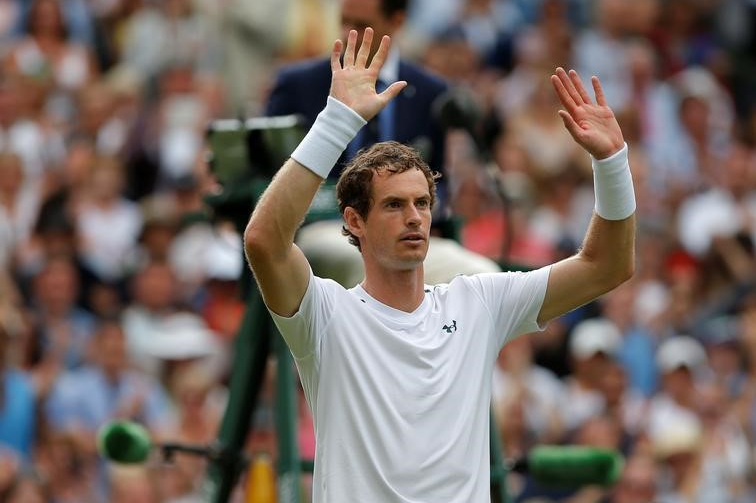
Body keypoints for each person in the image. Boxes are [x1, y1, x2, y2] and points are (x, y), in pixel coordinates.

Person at [244, 28, 636, 501]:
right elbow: (265, 241)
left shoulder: (478, 302)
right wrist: (336, 121)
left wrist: (612, 164)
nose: (414, 217)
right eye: (393, 205)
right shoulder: (326, 316)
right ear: (355, 221)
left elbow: (606, 266)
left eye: (422, 203)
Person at [265, 0, 497, 288]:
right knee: (368, 261)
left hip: (403, 228)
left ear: (396, 21)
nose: (347, 34)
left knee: (484, 275)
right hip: (322, 228)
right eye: (344, 21)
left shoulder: (432, 93)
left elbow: (437, 181)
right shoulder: (297, 84)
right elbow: (268, 176)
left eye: (362, 24)